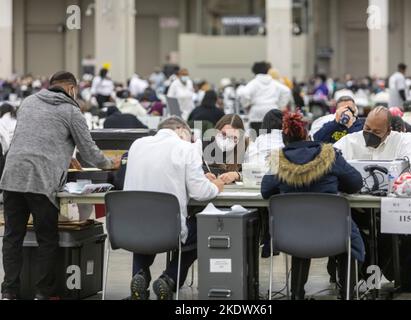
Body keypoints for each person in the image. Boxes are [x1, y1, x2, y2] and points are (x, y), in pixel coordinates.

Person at [0, 71, 119, 300]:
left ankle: (9, 292)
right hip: (42, 179)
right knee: (47, 239)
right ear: (72, 88)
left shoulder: (28, 102)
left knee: (13, 237)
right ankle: (43, 293)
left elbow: (33, 137)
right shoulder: (71, 110)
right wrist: (109, 163)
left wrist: (63, 156)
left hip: (13, 174)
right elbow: (89, 151)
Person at [261, 111, 365, 300]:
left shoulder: (278, 161)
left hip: (291, 235)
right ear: (308, 135)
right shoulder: (330, 155)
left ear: (284, 141)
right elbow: (356, 183)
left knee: (302, 231)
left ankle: (297, 294)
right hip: (333, 232)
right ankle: (346, 293)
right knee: (347, 232)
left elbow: (265, 191)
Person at [123, 116, 224, 300]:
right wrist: (217, 184)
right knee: (206, 226)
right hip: (169, 230)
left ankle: (140, 276)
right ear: (180, 129)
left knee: (145, 219)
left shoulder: (137, 145)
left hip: (132, 229)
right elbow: (201, 192)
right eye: (190, 135)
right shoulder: (186, 147)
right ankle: (169, 278)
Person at [334, 106, 411, 173]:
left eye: (377, 132)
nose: (370, 133)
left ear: (388, 131)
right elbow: (329, 161)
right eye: (367, 128)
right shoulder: (349, 140)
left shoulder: (402, 141)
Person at [239, 62, 291, 133]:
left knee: (258, 137)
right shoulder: (274, 82)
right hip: (272, 111)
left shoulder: (253, 83)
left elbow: (244, 93)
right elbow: (287, 91)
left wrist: (246, 105)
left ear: (254, 71)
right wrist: (280, 106)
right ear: (268, 70)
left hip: (257, 113)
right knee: (271, 137)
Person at [203, 114, 249, 184]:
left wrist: (238, 175)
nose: (226, 140)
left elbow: (255, 174)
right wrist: (202, 176)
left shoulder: (246, 148)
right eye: (223, 134)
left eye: (233, 137)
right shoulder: (206, 144)